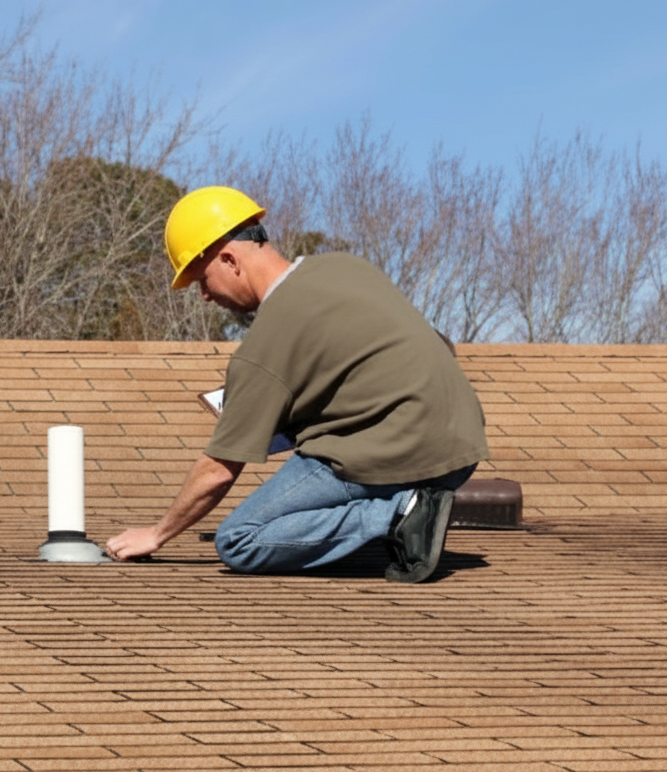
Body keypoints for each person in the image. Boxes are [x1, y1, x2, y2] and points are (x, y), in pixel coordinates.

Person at [104, 186, 489, 582]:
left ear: (229, 259)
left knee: (239, 539)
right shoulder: (347, 267)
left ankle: (399, 512)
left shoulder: (265, 346)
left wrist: (157, 533)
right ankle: (412, 506)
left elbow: (218, 470)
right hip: (460, 452)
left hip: (393, 457)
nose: (203, 295)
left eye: (202, 279)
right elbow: (437, 346)